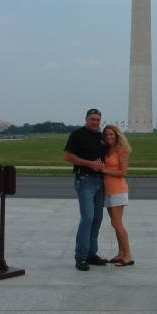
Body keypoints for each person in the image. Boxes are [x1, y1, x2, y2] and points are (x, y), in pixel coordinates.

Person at [64, 108, 108, 271]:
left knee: (97, 218)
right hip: (85, 181)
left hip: (100, 182)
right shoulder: (77, 135)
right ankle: (80, 257)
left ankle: (91, 254)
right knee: (88, 217)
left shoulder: (101, 137)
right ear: (86, 119)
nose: (95, 122)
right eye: (92, 119)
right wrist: (89, 164)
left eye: (97, 119)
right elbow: (67, 156)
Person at [101, 125, 134, 267]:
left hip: (118, 190)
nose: (109, 137)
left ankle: (128, 256)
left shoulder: (122, 150)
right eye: (106, 135)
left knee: (117, 223)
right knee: (115, 223)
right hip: (107, 190)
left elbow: (123, 172)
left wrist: (104, 170)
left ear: (117, 135)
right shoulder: (107, 150)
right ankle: (120, 253)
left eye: (111, 135)